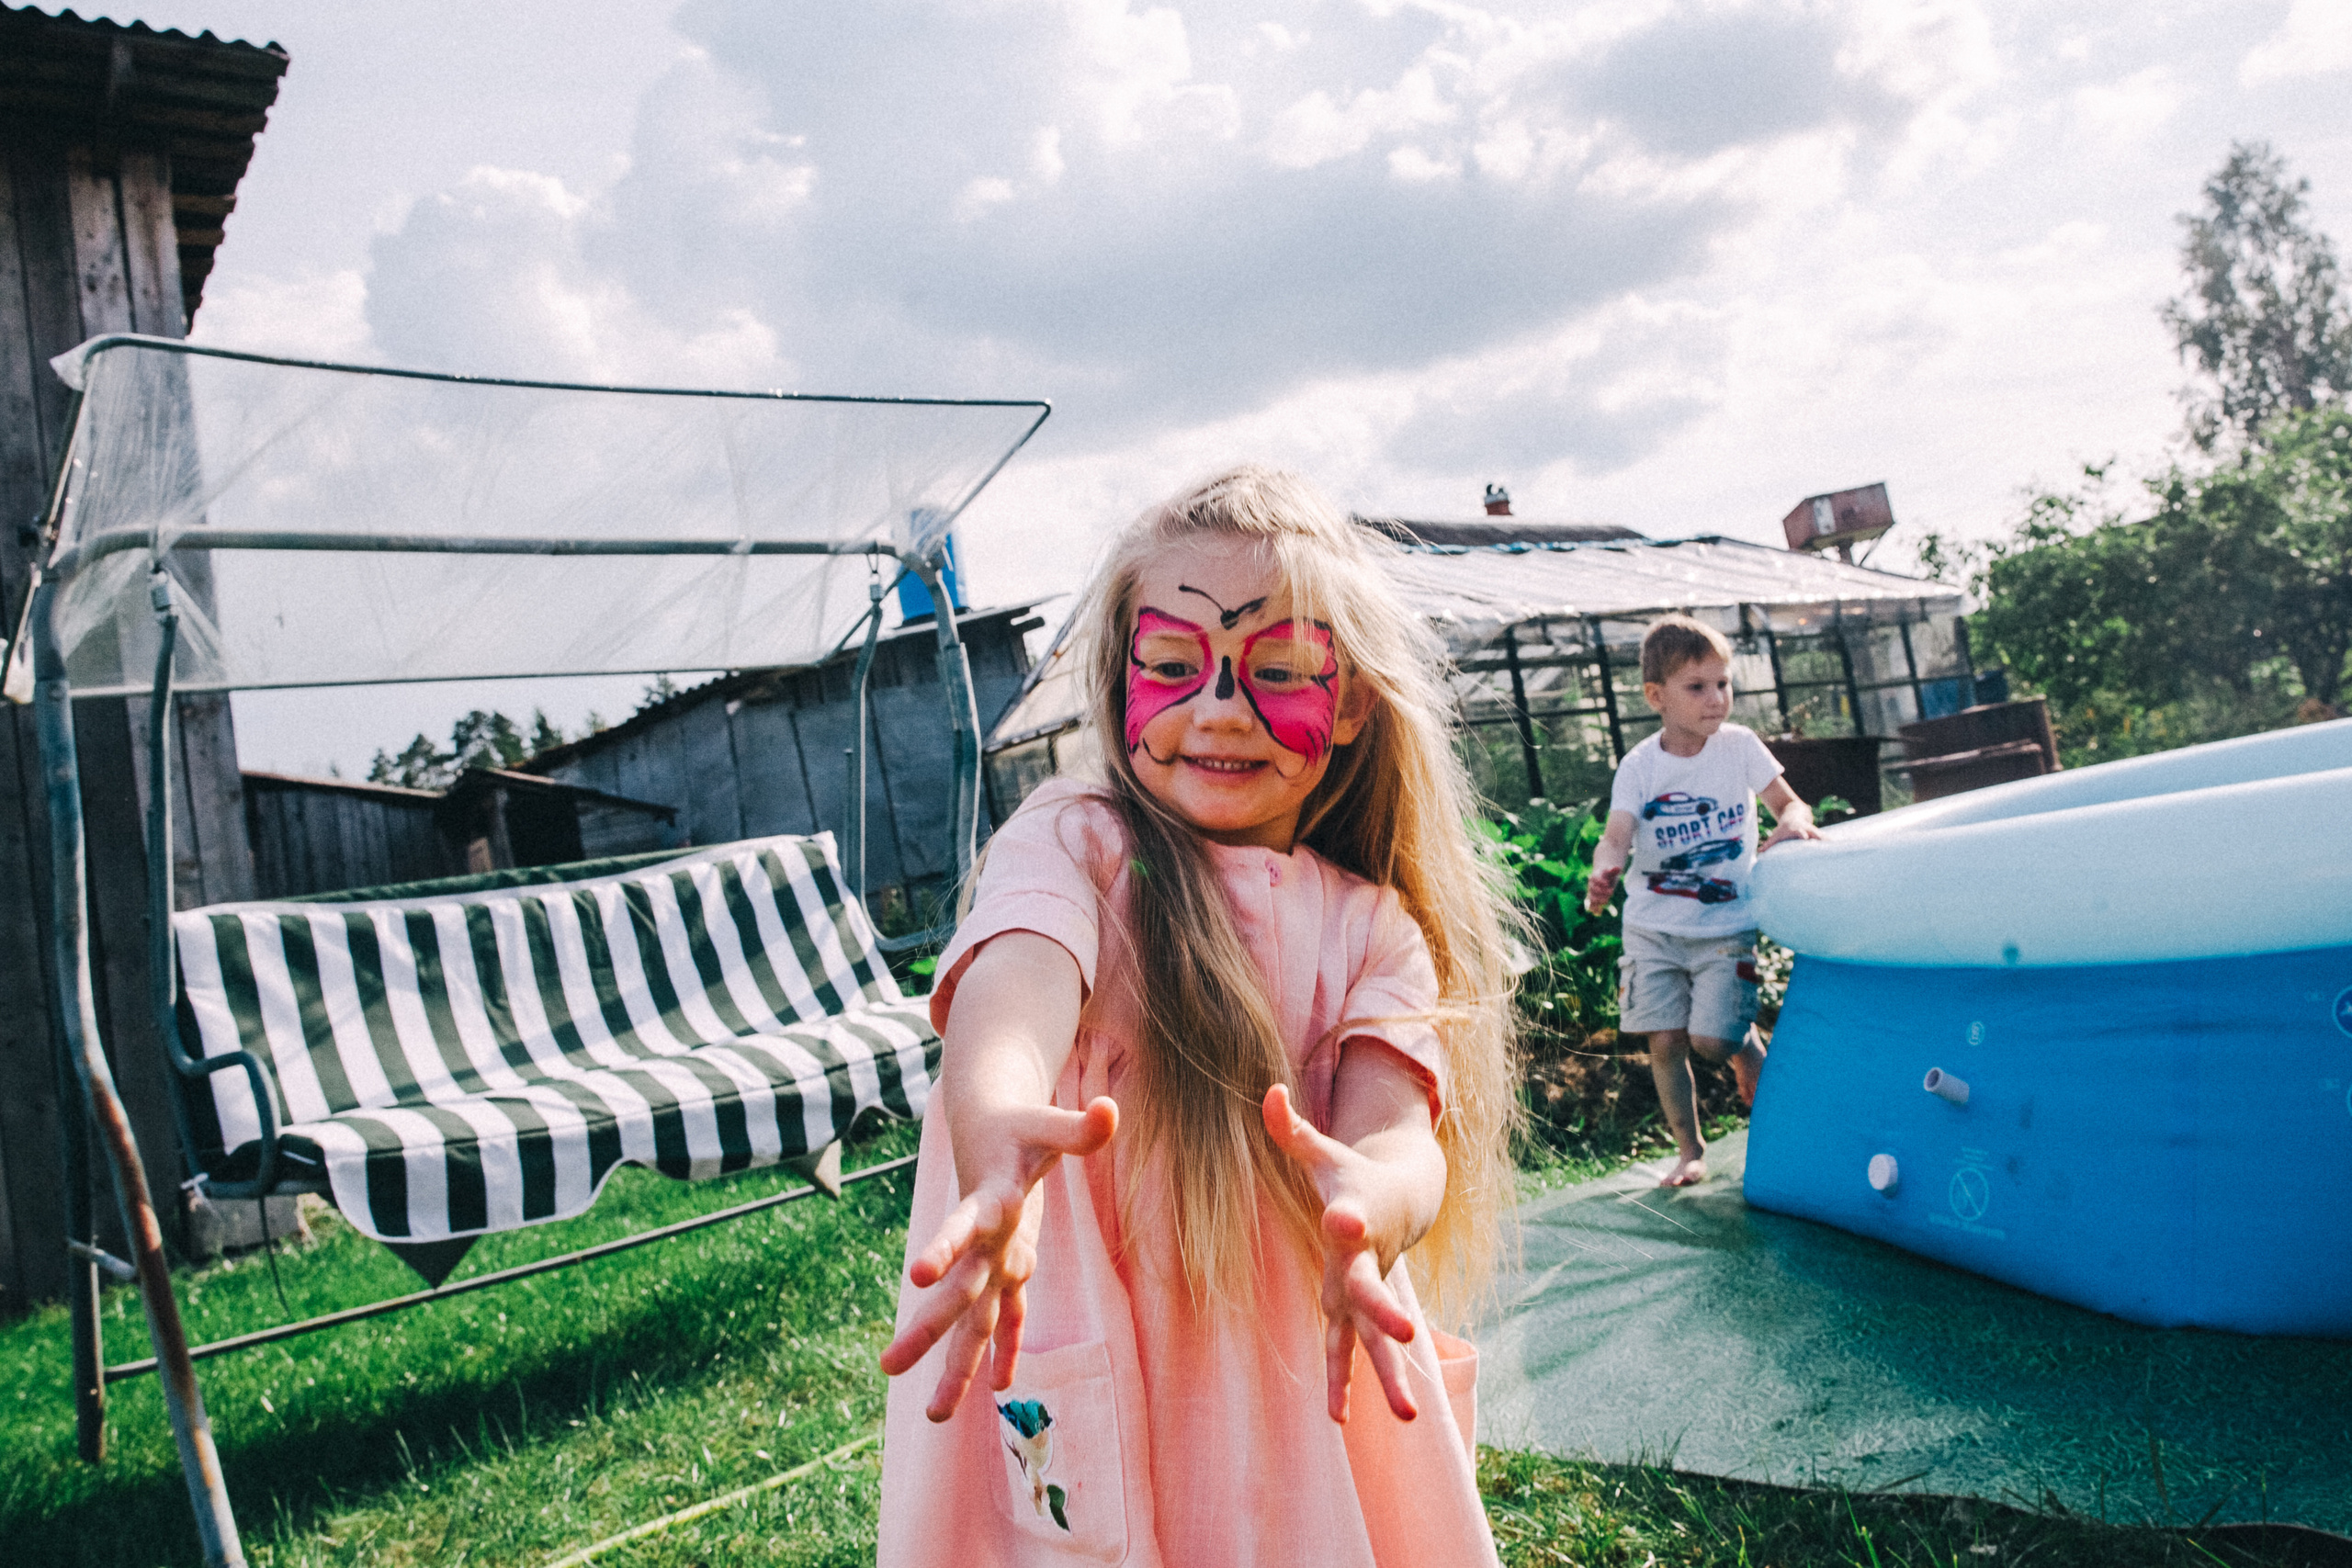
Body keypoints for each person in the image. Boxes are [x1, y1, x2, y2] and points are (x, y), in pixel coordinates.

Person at [875, 466, 1521, 1567]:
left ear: (1354, 701)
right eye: (1174, 666)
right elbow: (1017, 973)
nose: (1220, 705)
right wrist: (994, 1123)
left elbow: (1394, 1126)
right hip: (1087, 1359)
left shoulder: (1375, 930)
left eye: (1276, 672)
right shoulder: (1076, 839)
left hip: (1287, 1374)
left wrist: (1374, 1202)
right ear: (1118, 679)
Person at [1582, 615, 1821, 1189]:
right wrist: (1604, 868)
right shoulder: (1640, 766)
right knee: (1665, 1042)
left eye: (1723, 684)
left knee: (1712, 1042)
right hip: (1652, 930)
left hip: (1723, 926)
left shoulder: (1739, 748)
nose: (1717, 699)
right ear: (1655, 697)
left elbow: (1794, 805)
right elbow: (1616, 835)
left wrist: (1791, 823)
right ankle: (1689, 1149)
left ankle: (1743, 1045)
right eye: (1697, 687)